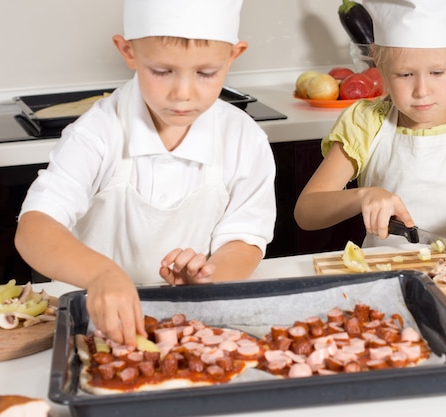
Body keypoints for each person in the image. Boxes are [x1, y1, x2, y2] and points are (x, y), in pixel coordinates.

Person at [15, 0, 276, 349]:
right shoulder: (98, 132)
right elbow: (34, 229)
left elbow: (244, 239)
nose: (183, 93)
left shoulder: (244, 138)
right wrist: (101, 275)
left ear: (233, 56)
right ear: (128, 51)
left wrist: (209, 279)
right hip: (94, 322)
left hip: (192, 321)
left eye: (206, 73)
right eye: (162, 71)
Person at [294, 0, 446, 250]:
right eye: (405, 74)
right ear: (379, 62)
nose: (422, 91)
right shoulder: (366, 124)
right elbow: (307, 212)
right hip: (385, 271)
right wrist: (363, 196)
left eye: (437, 73)